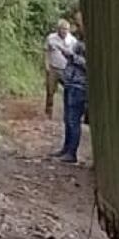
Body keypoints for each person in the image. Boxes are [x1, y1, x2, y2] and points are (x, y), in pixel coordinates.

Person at [58, 28, 88, 164]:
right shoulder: (78, 41)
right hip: (70, 82)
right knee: (67, 118)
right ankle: (66, 148)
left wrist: (72, 56)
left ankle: (72, 153)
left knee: (73, 120)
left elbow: (86, 64)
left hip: (80, 85)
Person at [43, 18, 72, 117]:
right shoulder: (51, 38)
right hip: (53, 68)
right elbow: (46, 51)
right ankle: (48, 112)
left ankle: (69, 112)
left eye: (67, 29)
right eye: (63, 29)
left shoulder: (71, 40)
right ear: (58, 29)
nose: (65, 31)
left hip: (66, 69)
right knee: (50, 91)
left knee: (69, 90)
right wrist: (46, 65)